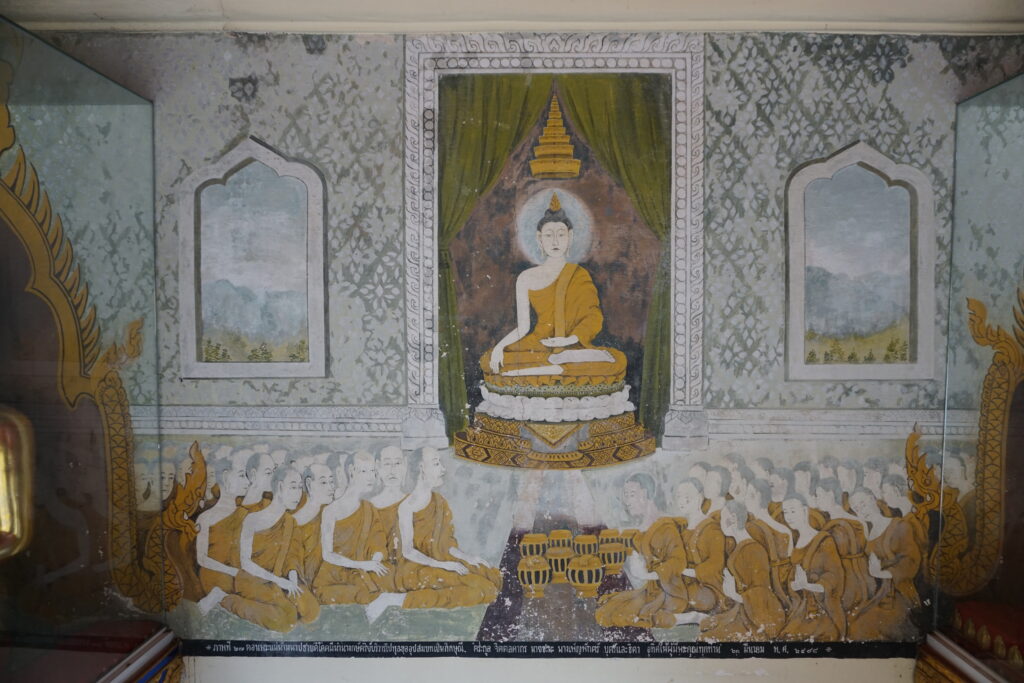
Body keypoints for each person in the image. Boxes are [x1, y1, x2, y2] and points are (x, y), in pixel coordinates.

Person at [481, 193, 626, 384]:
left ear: (570, 237)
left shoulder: (578, 274)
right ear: (539, 238)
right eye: (549, 235)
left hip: (573, 347)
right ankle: (556, 368)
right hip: (539, 345)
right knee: (489, 359)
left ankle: (552, 367)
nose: (555, 242)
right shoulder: (526, 278)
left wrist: (568, 340)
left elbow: (593, 317)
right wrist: (500, 347)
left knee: (616, 361)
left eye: (561, 234)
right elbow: (523, 327)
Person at [391, 448, 502, 614]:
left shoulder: (439, 501)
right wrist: (442, 565)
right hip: (417, 567)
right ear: (422, 468)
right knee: (484, 590)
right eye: (436, 464)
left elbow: (446, 543)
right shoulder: (406, 507)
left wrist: (467, 557)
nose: (443, 469)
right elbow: (407, 551)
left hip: (443, 558)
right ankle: (397, 600)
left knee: (494, 577)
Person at [231, 467, 320, 632]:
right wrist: (278, 581)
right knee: (285, 620)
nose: (298, 493)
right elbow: (245, 563)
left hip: (281, 578)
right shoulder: (252, 519)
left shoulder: (290, 522)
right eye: (293, 487)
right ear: (279, 487)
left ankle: (281, 601)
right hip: (254, 580)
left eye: (300, 487)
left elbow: (292, 557)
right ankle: (227, 600)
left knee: (310, 611)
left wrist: (292, 579)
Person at [595, 474, 690, 629]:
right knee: (605, 612)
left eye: (631, 495)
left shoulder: (666, 526)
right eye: (625, 495)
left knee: (620, 617)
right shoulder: (643, 529)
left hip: (671, 592)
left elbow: (678, 561)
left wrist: (647, 575)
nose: (627, 502)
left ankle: (690, 617)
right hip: (651, 590)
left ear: (645, 494)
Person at [313, 451, 390, 612]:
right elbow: (327, 554)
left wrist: (375, 561)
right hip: (334, 578)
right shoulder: (330, 510)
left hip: (362, 572)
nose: (370, 477)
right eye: (364, 471)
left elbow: (379, 541)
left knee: (390, 583)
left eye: (372, 471)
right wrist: (361, 565)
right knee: (364, 595)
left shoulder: (369, 509)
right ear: (351, 471)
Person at [700, 501, 786, 641]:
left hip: (761, 614)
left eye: (723, 518)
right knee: (706, 625)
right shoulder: (739, 546)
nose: (721, 524)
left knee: (706, 638)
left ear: (733, 518)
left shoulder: (754, 550)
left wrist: (735, 595)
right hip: (745, 609)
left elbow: (762, 592)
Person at [847, 488, 922, 641]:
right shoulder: (867, 533)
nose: (861, 510)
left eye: (863, 504)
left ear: (873, 499)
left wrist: (882, 573)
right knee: (853, 624)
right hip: (877, 593)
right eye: (856, 508)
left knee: (866, 627)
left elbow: (911, 561)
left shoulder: (899, 525)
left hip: (899, 593)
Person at [779, 494, 846, 641]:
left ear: (804, 511)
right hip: (801, 608)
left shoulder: (823, 540)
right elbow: (792, 579)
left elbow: (834, 577)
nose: (789, 517)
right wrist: (795, 585)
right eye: (786, 512)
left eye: (793, 511)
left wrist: (808, 586)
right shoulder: (794, 542)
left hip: (824, 610)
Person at [195, 453, 252, 615]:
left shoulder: (246, 515)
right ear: (226, 477)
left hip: (241, 575)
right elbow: (202, 558)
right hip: (216, 574)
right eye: (241, 475)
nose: (247, 482)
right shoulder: (205, 517)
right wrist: (232, 572)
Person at [813, 478, 873, 618]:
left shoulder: (831, 527)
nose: (816, 500)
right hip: (865, 580)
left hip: (844, 583)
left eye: (819, 495)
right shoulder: (860, 522)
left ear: (830, 494)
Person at [672, 477, 727, 625]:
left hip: (707, 585)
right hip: (684, 583)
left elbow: (716, 563)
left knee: (698, 598)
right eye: (679, 496)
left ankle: (694, 616)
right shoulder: (682, 531)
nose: (682, 501)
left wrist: (685, 571)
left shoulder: (711, 528)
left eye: (687, 496)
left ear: (699, 498)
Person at [743, 480, 794, 612]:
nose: (745, 499)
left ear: (757, 496)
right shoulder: (786, 531)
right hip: (787, 587)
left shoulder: (751, 528)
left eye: (748, 494)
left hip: (766, 588)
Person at [293, 463, 337, 590]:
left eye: (331, 482)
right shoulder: (293, 522)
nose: (331, 487)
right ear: (309, 484)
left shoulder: (332, 514)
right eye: (323, 482)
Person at [370, 446, 409, 569]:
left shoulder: (412, 502)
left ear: (405, 465)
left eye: (397, 463)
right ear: (378, 466)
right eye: (387, 464)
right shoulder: (369, 506)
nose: (392, 470)